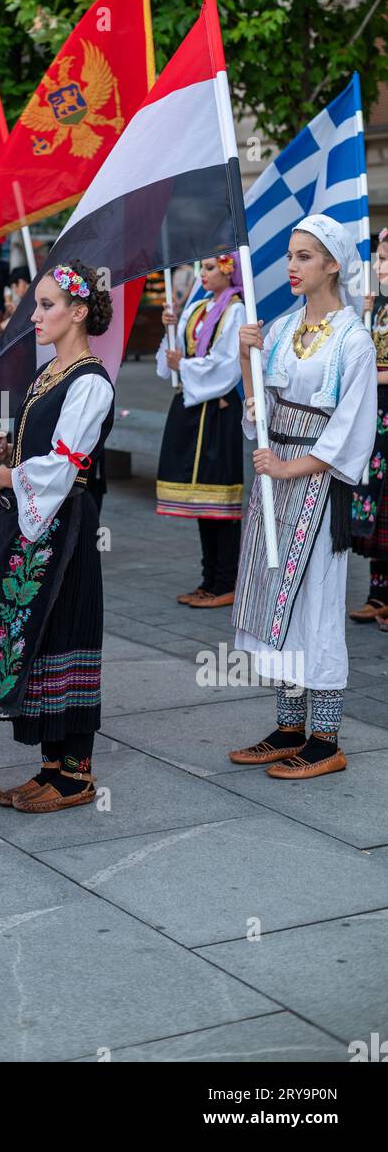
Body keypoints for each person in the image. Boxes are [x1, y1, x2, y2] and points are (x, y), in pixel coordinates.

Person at [229, 215, 376, 779]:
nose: (291, 266)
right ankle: (289, 726)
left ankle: (327, 737)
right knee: (277, 601)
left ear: (332, 264)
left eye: (304, 257)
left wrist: (292, 465)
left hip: (317, 487)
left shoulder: (354, 339)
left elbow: (351, 429)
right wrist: (247, 360)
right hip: (278, 483)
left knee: (317, 604)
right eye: (290, 255)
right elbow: (260, 409)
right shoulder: (286, 327)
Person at [0, 259, 114, 812]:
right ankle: (51, 766)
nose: (33, 314)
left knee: (66, 633)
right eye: (36, 304)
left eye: (46, 305)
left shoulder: (91, 383)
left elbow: (65, 462)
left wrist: (8, 474)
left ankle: (77, 774)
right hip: (34, 523)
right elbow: (38, 451)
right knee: (37, 636)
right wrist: (6, 454)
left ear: (78, 312)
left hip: (66, 529)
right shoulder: (48, 375)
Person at [156, 253, 245, 608]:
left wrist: (186, 365)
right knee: (203, 500)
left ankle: (226, 580)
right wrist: (170, 327)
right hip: (193, 405)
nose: (203, 274)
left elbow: (228, 364)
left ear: (228, 270)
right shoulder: (200, 307)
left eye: (210, 268)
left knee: (219, 496)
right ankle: (210, 578)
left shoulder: (235, 310)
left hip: (217, 409)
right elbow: (172, 360)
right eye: (202, 268)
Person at [349, 228, 388, 625]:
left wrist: (370, 376)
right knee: (374, 500)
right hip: (378, 419)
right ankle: (378, 592)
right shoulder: (375, 308)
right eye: (378, 259)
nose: (379, 266)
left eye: (386, 259)